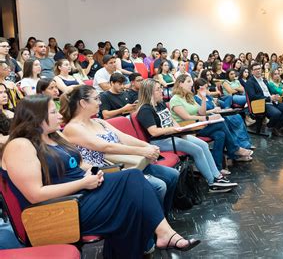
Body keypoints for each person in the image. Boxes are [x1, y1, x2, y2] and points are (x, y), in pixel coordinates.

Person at [1, 95, 200, 257]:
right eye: (53, 112)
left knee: (132, 183)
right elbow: (35, 195)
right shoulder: (20, 145)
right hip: (61, 209)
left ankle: (155, 238)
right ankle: (163, 234)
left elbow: (79, 164)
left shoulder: (54, 135)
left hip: (83, 193)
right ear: (36, 117)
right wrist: (83, 182)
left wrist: (96, 173)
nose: (60, 116)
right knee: (131, 189)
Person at [60, 85, 179, 216]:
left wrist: (147, 146)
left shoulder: (99, 121)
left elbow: (124, 138)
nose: (100, 102)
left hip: (125, 161)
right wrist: (141, 152)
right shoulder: (72, 128)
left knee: (173, 175)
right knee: (158, 186)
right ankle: (154, 225)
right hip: (106, 169)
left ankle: (162, 219)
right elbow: (105, 146)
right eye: (96, 99)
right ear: (83, 103)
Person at [135, 78, 237, 193]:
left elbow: (171, 119)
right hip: (161, 141)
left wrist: (180, 129)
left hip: (174, 135)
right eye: (158, 89)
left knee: (203, 145)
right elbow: (153, 131)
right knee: (197, 150)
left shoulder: (160, 104)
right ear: (150, 92)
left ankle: (217, 176)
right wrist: (175, 129)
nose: (162, 91)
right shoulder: (145, 109)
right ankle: (212, 183)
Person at [170, 75, 253, 170]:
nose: (191, 84)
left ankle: (218, 168)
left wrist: (204, 98)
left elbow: (201, 112)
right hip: (188, 130)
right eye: (188, 82)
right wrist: (207, 118)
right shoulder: (175, 99)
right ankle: (234, 149)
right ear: (180, 84)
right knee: (220, 122)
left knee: (220, 134)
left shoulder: (189, 97)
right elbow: (186, 117)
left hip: (197, 125)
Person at [194, 78, 254, 151]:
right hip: (209, 118)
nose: (207, 91)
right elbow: (200, 113)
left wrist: (223, 109)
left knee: (237, 116)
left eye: (207, 88)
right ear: (198, 89)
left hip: (217, 114)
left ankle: (244, 142)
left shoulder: (208, 97)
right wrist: (213, 110)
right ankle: (237, 144)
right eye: (205, 88)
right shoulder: (195, 99)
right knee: (228, 120)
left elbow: (217, 105)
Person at [245, 63, 283, 137]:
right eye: (256, 69)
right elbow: (253, 97)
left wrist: (274, 96)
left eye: (259, 69)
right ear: (252, 71)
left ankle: (275, 127)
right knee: (277, 113)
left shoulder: (264, 80)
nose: (258, 71)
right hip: (261, 104)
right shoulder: (250, 82)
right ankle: (271, 126)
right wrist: (269, 98)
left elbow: (269, 92)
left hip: (271, 101)